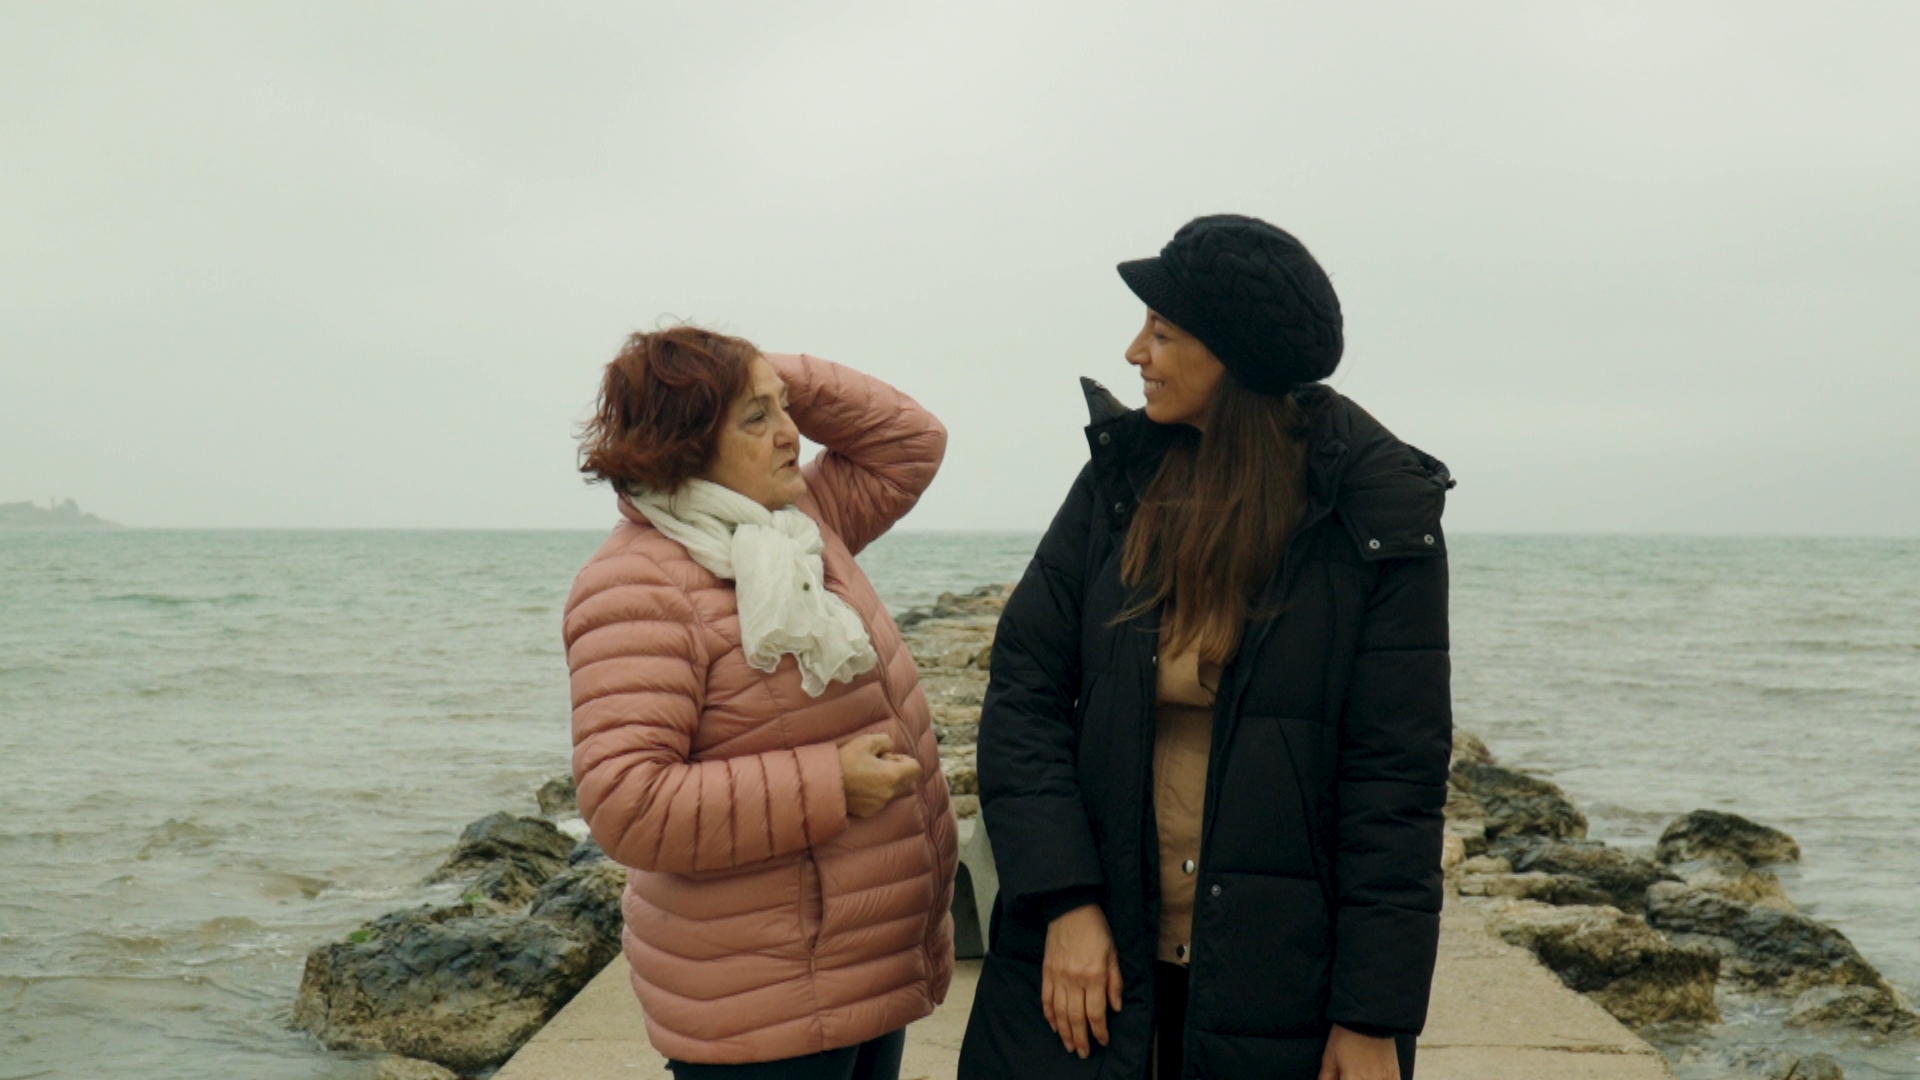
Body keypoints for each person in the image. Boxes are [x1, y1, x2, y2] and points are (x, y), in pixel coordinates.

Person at [958, 215, 1454, 1080]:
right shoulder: (1118, 483)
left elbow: (1395, 784)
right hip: (1095, 956)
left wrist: (1371, 1015)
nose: (1133, 354)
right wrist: (1064, 902)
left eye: (1161, 332)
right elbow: (1024, 694)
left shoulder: (1377, 516)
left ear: (1234, 357)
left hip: (1281, 981)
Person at [565, 325, 958, 1080]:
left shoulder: (801, 528)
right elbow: (627, 803)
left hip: (862, 968)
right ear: (684, 441)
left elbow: (912, 443)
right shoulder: (636, 584)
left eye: (787, 409)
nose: (791, 434)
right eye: (757, 418)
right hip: (762, 1003)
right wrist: (830, 783)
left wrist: (757, 373)